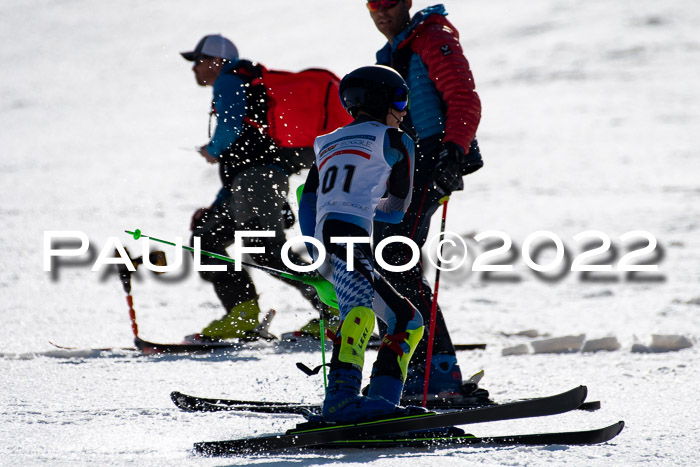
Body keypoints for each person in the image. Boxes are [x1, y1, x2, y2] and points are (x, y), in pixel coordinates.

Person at [365, 1, 488, 403]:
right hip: (402, 163)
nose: (381, 10)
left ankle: (435, 373)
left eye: (389, 2)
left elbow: (463, 98)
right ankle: (408, 370)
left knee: (394, 261)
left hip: (431, 159)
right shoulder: (394, 52)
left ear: (406, 3)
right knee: (390, 262)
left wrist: (453, 153)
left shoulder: (433, 37)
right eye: (372, 4)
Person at [180, 34, 328, 341]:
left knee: (265, 250)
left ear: (216, 61)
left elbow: (231, 127)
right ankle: (242, 314)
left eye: (198, 60)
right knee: (207, 238)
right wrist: (218, 205)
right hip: (248, 183)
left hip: (258, 181)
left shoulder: (230, 79)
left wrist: (213, 149)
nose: (194, 68)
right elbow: (240, 164)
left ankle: (336, 308)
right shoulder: (244, 82)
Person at [298, 65, 425, 422]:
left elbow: (308, 202)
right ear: (383, 100)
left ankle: (382, 403)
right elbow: (397, 210)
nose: (403, 110)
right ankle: (340, 400)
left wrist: (316, 255)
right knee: (363, 314)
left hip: (326, 238)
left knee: (406, 318)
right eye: (401, 99)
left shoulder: (326, 141)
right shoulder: (398, 140)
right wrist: (367, 206)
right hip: (350, 238)